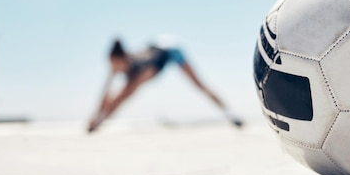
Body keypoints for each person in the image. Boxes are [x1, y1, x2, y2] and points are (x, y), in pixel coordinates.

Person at [88, 38, 243, 133]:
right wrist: (98, 116)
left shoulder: (140, 68)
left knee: (199, 84)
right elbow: (109, 95)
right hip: (155, 46)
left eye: (114, 65)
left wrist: (100, 119)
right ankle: (99, 120)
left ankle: (230, 114)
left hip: (171, 50)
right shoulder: (124, 65)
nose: (113, 69)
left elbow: (123, 96)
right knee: (121, 94)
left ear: (121, 59)